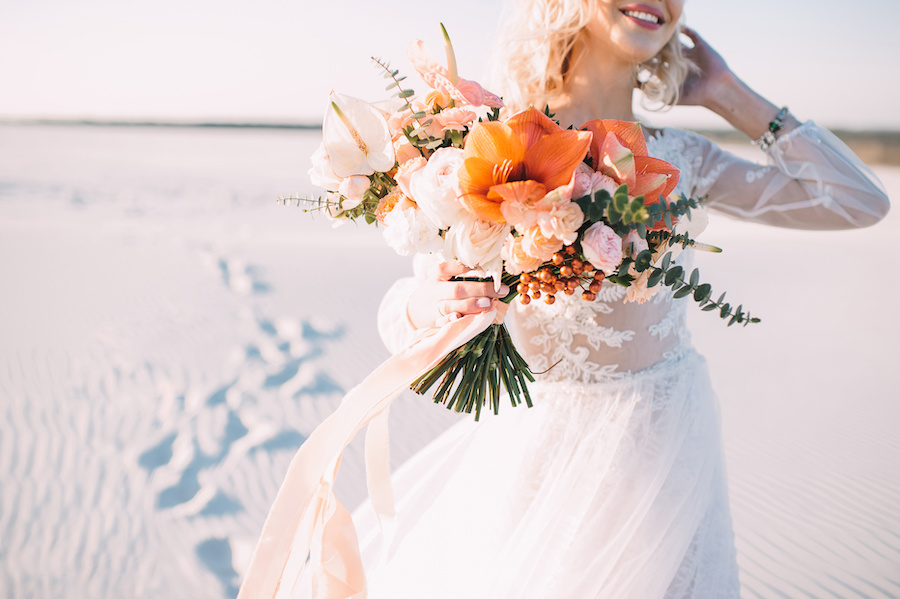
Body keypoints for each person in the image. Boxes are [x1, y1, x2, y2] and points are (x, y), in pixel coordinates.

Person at [281, 1, 890, 597]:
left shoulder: (684, 159)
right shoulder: (495, 137)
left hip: (668, 452)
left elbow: (859, 202)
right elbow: (401, 316)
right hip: (542, 463)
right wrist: (435, 300)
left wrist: (731, 95)